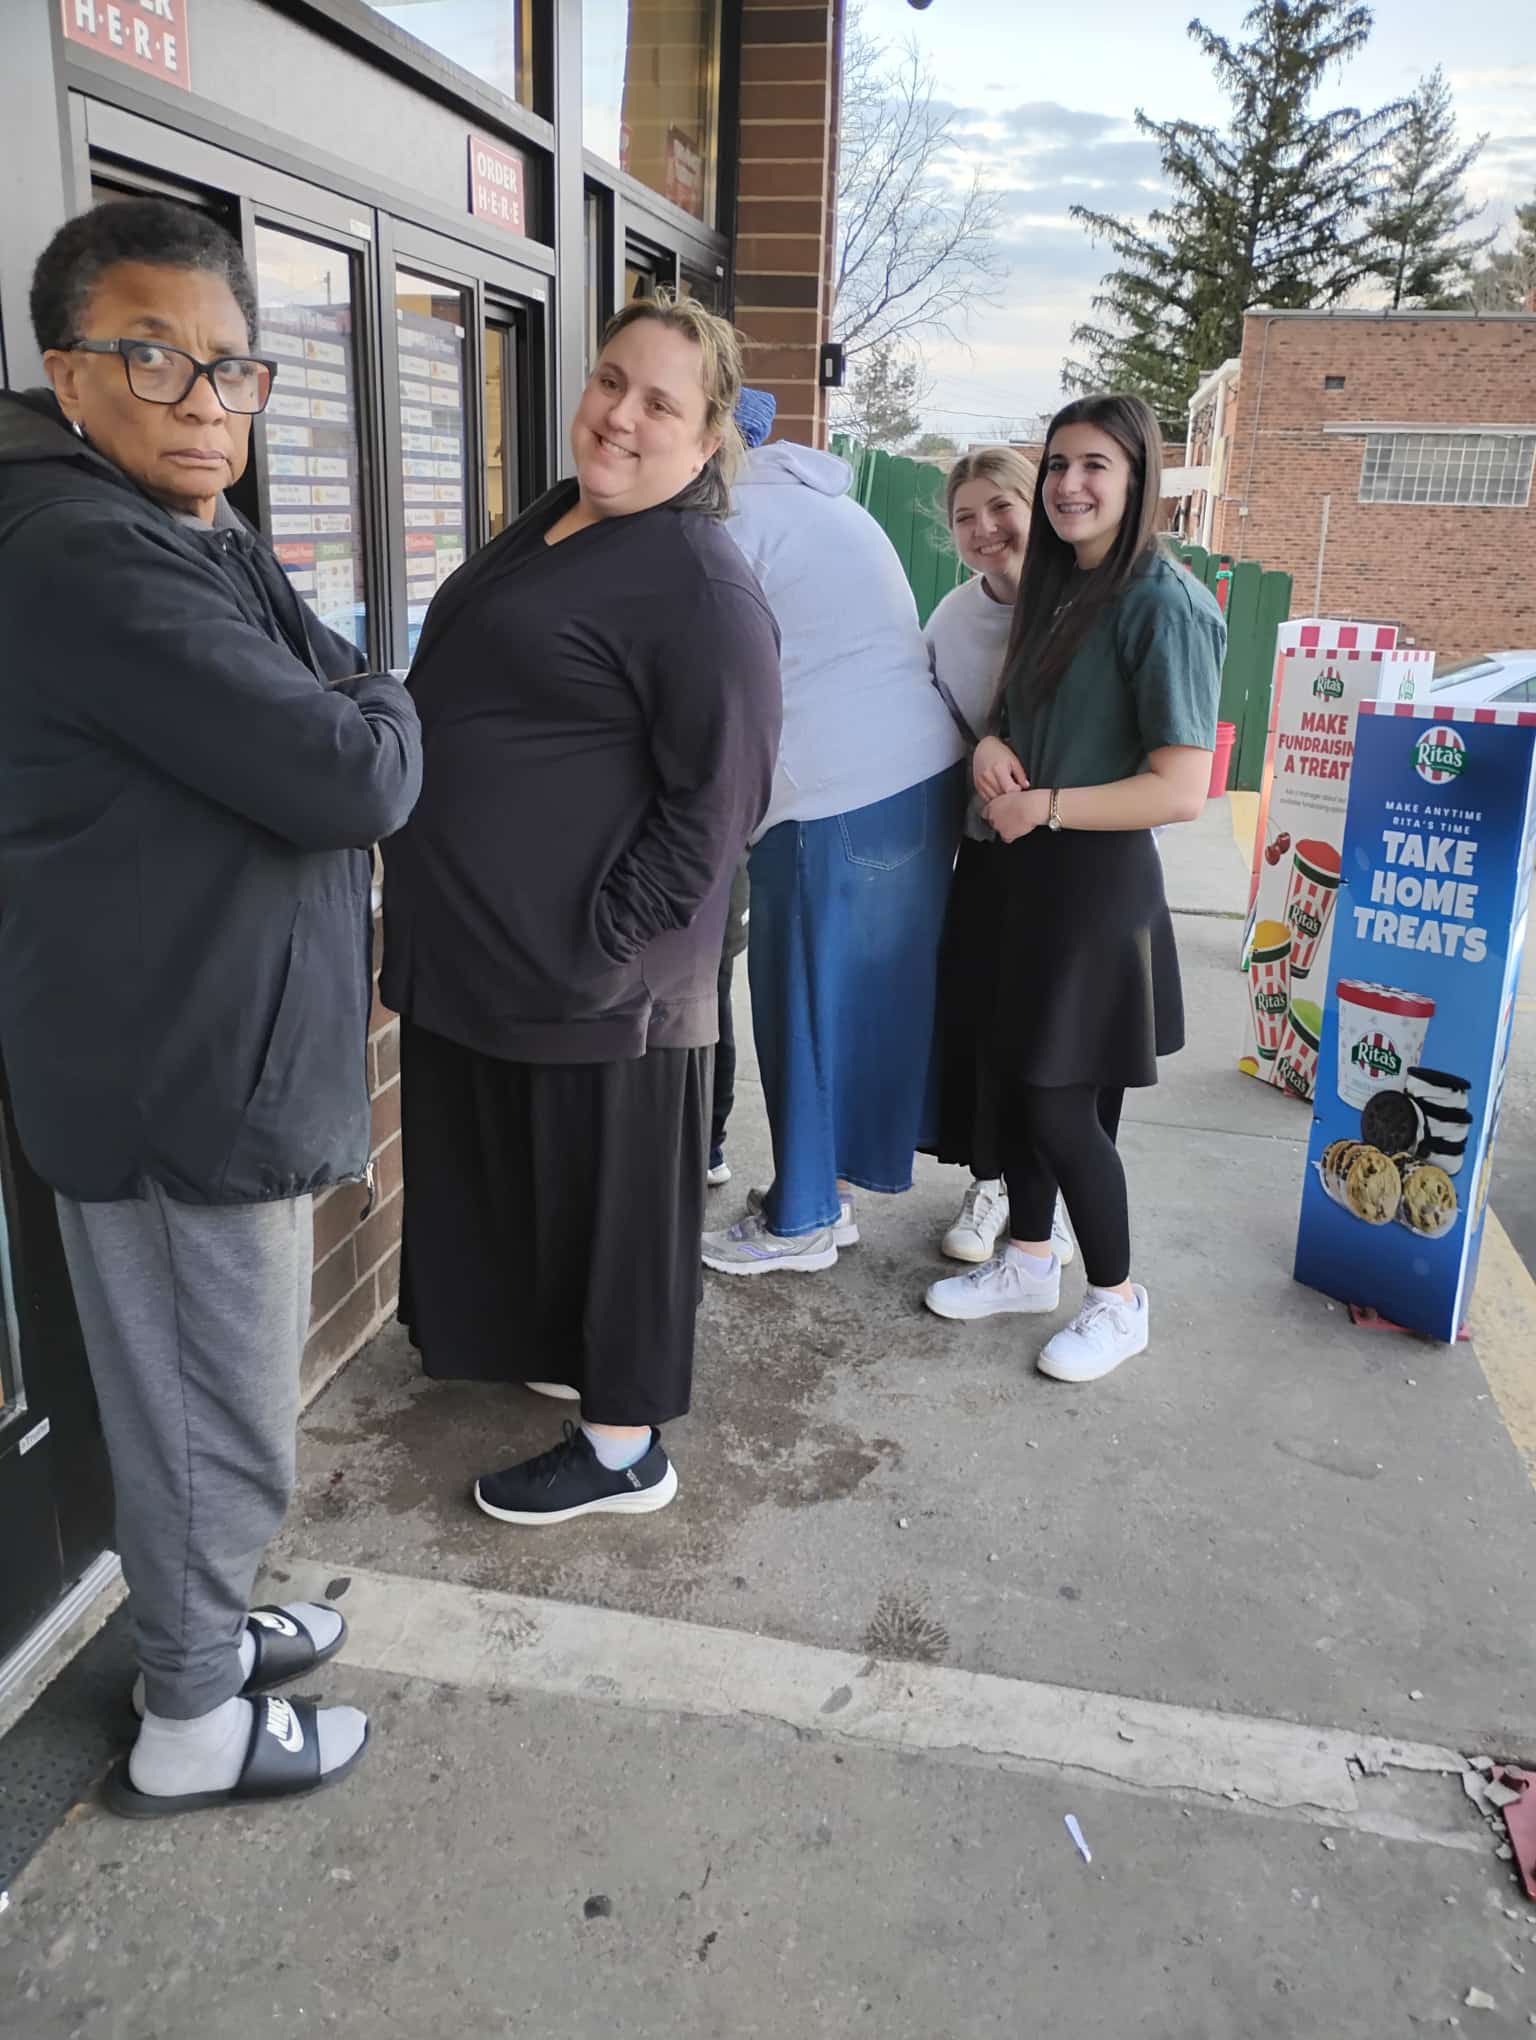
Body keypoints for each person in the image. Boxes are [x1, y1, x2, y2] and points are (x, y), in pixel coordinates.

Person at [0, 198, 422, 1816]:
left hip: (207, 1046)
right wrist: (382, 695)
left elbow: (329, 686)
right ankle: (189, 1714)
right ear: (69, 372)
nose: (203, 401)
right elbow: (356, 771)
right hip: (174, 1070)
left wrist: (355, 692)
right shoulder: (87, 554)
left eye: (232, 367)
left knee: (211, 1395)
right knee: (206, 1408)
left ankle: (212, 1629)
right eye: (153, 357)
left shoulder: (191, 525)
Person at [382, 295, 780, 1523]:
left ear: (707, 437)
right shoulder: (560, 516)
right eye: (611, 380)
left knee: (617, 1213)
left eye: (660, 402)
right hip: (493, 958)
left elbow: (723, 801)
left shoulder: (699, 584)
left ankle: (623, 1451)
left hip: (598, 980)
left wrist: (609, 941)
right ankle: (562, 1354)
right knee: (530, 1190)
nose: (619, 415)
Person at [923, 396, 1223, 1383]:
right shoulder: (1058, 588)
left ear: (1137, 478)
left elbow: (1181, 788)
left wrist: (1045, 805)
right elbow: (1014, 716)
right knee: (1015, 1080)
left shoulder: (1162, 603)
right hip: (1020, 876)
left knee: (1059, 1105)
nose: (1070, 484)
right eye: (1057, 464)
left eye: (1096, 464)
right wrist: (994, 747)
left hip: (1093, 885)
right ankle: (1027, 1260)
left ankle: (1118, 1300)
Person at [701, 393, 967, 1276]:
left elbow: (712, 680)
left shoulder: (732, 521)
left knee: (803, 1005)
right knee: (851, 1004)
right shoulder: (820, 502)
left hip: (836, 789)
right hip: (917, 775)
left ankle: (802, 1222)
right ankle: (827, 1194)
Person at [924, 447, 1071, 1270]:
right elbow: (938, 730)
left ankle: (1054, 1194)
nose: (984, 529)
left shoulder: (1083, 603)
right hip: (988, 856)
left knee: (1063, 1044)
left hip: (1074, 854)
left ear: (1034, 505)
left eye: (1000, 507)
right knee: (986, 1029)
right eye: (964, 516)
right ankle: (994, 1184)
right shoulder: (951, 620)